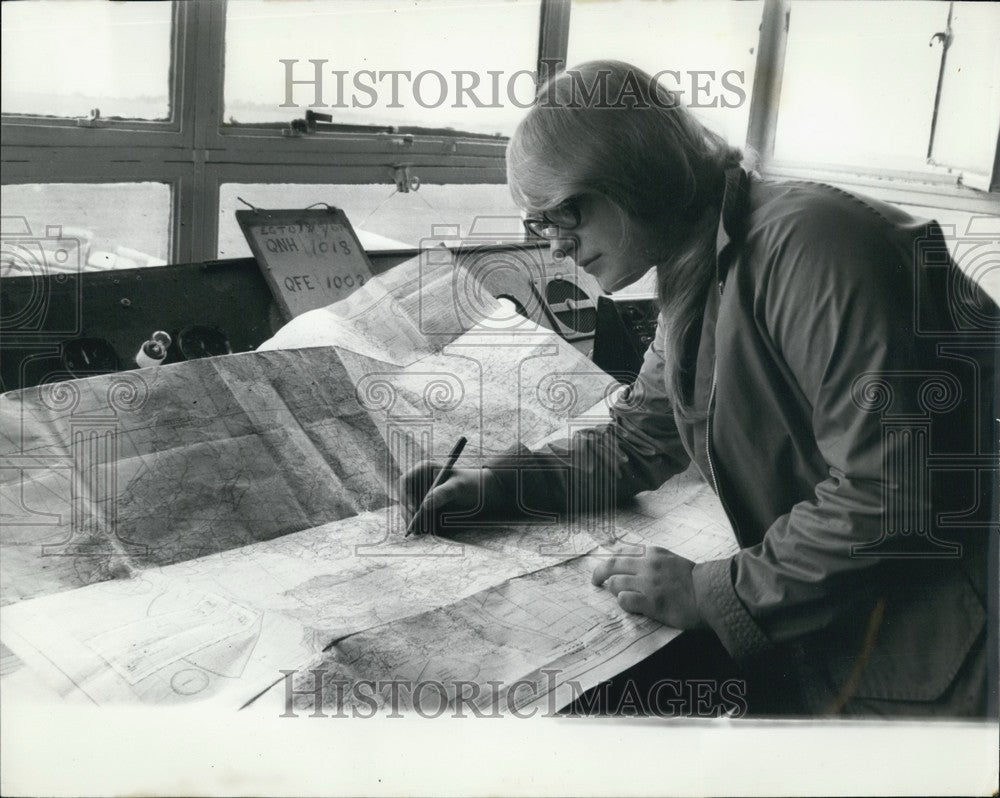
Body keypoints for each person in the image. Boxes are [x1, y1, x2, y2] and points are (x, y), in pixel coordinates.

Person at [400, 61, 995, 717]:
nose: (557, 248)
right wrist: (496, 486)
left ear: (633, 178)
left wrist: (711, 592)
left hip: (956, 657)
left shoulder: (811, 246)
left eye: (561, 214)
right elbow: (635, 438)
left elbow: (889, 491)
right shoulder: (701, 267)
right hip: (871, 636)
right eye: (539, 225)